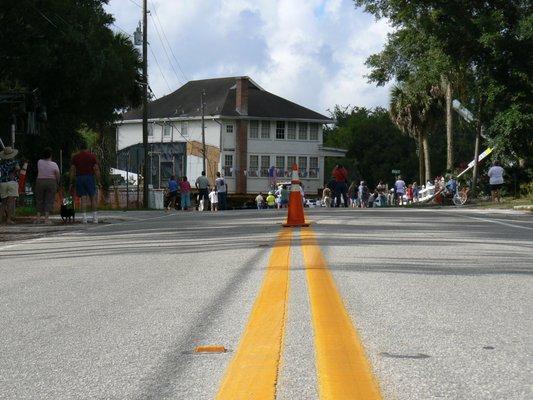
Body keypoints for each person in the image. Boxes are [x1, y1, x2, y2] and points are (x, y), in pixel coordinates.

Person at [70, 142, 100, 223]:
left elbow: (72, 169)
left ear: (79, 148)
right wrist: (98, 180)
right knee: (92, 197)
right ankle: (95, 218)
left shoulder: (75, 157)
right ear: (87, 148)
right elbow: (96, 169)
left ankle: (84, 219)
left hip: (79, 178)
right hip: (89, 177)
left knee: (83, 198)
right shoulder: (92, 156)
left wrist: (71, 180)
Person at [35, 147, 60, 224]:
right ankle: (46, 219)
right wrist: (57, 182)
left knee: (39, 199)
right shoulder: (54, 164)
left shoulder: (39, 162)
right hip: (51, 182)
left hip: (40, 181)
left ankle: (38, 219)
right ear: (51, 155)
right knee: (49, 200)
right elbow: (57, 174)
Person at [0, 146, 22, 224]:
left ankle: (0, 220)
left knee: (3, 203)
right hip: (12, 182)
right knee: (10, 202)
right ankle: (8, 219)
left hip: (2, 183)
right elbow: (18, 169)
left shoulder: (1, 164)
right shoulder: (15, 162)